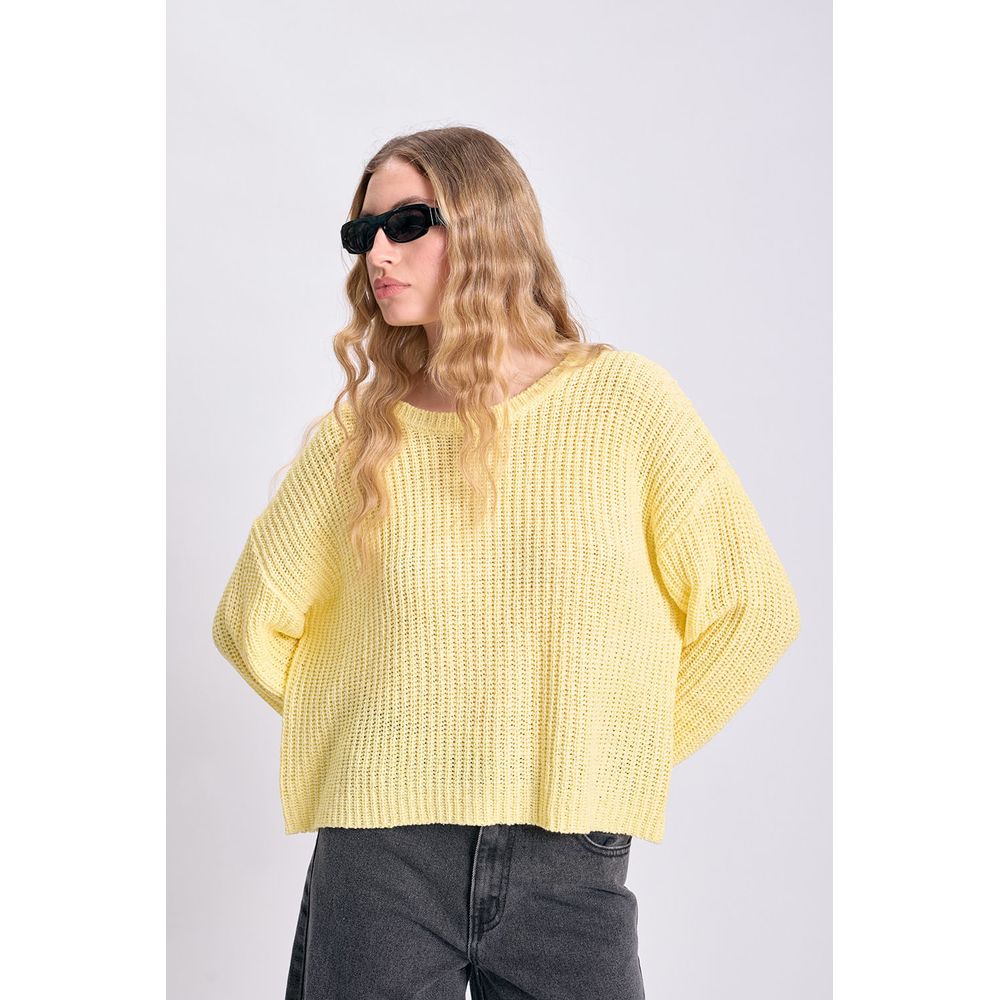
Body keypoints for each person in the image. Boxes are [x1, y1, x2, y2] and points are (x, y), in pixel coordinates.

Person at [211, 126, 802, 1000]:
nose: (378, 254)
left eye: (408, 223)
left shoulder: (626, 405)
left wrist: (617, 749)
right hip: (384, 854)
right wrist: (375, 732)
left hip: (571, 854)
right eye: (363, 232)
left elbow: (754, 609)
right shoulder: (361, 439)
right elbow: (248, 622)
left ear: (489, 225)